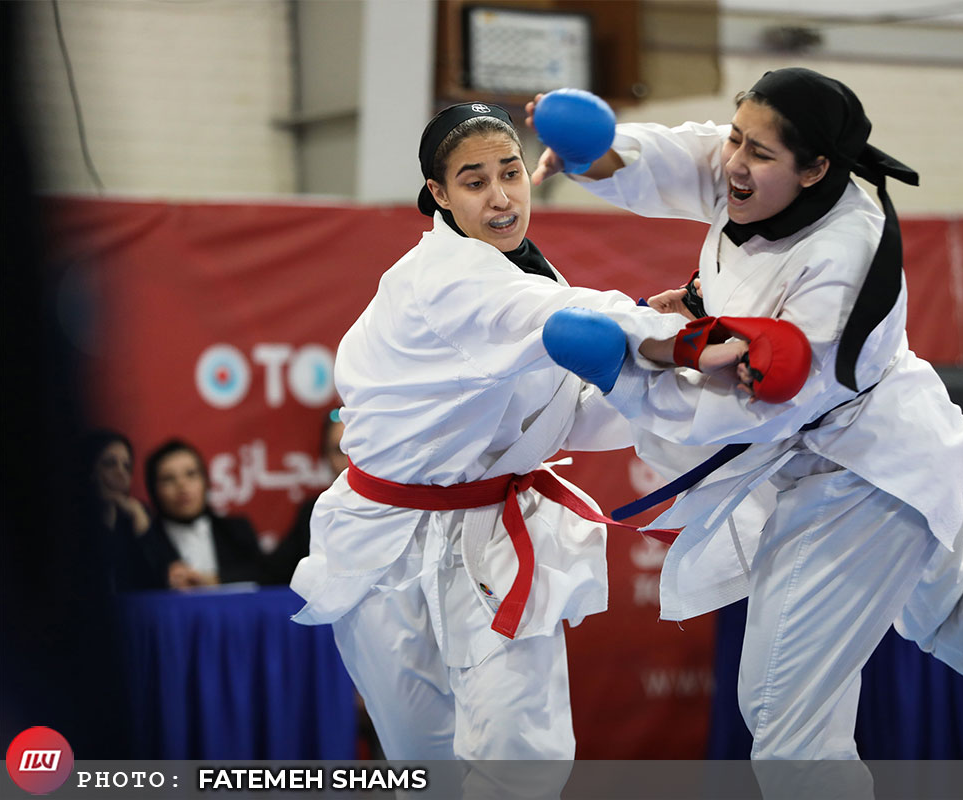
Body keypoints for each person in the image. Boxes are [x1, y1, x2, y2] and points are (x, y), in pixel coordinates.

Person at [529, 67, 963, 765]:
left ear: (816, 169)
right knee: (945, 601)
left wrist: (633, 359)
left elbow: (752, 409)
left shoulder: (847, 256)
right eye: (736, 137)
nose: (735, 162)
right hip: (887, 449)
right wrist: (598, 153)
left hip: (858, 473)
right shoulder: (757, 170)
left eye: (758, 152)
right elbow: (680, 161)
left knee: (786, 719)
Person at [287, 101, 701, 770]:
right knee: (425, 763)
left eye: (511, 172)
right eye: (475, 182)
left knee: (522, 756)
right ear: (439, 194)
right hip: (389, 543)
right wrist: (697, 339)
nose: (502, 197)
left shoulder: (527, 270)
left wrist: (687, 384)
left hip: (493, 537)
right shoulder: (446, 279)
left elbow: (567, 412)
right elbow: (578, 317)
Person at [142, 438, 265, 588]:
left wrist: (214, 580)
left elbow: (263, 574)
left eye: (191, 474)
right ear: (154, 490)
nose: (182, 486)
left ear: (205, 481)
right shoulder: (147, 541)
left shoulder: (236, 530)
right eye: (168, 479)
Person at [262, 409, 347, 585]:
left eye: (355, 449)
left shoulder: (395, 509)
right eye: (339, 451)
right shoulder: (314, 512)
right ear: (326, 457)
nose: (349, 460)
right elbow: (271, 574)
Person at [80, 429, 162, 592]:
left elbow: (158, 582)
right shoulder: (69, 518)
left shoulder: (136, 513)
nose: (121, 473)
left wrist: (141, 526)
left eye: (126, 466)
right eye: (109, 464)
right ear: (89, 469)